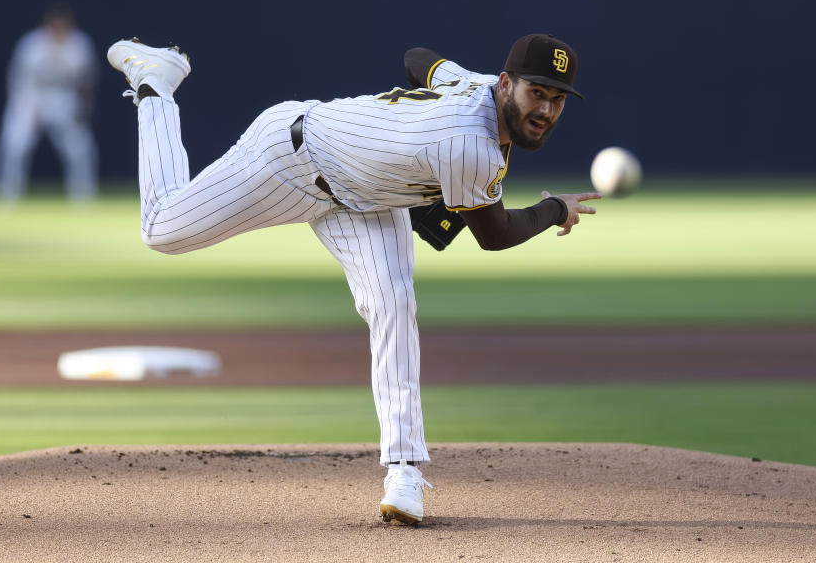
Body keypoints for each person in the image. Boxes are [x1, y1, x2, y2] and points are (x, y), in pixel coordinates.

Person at [106, 33, 601, 525]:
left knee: (394, 304)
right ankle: (156, 83)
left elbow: (417, 58)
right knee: (162, 230)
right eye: (537, 93)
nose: (547, 109)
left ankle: (404, 473)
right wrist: (555, 208)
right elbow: (495, 235)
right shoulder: (469, 143)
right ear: (506, 84)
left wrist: (412, 127)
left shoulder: (471, 87)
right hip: (290, 158)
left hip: (367, 203)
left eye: (558, 99)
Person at [0, 2, 98, 203]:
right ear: (47, 24)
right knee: (15, 143)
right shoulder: (31, 43)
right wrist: (20, 107)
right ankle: (7, 192)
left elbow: (87, 81)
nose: (58, 29)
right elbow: (17, 77)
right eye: (54, 25)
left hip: (63, 97)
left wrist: (83, 108)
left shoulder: (79, 44)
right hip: (32, 95)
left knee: (80, 146)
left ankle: (83, 195)